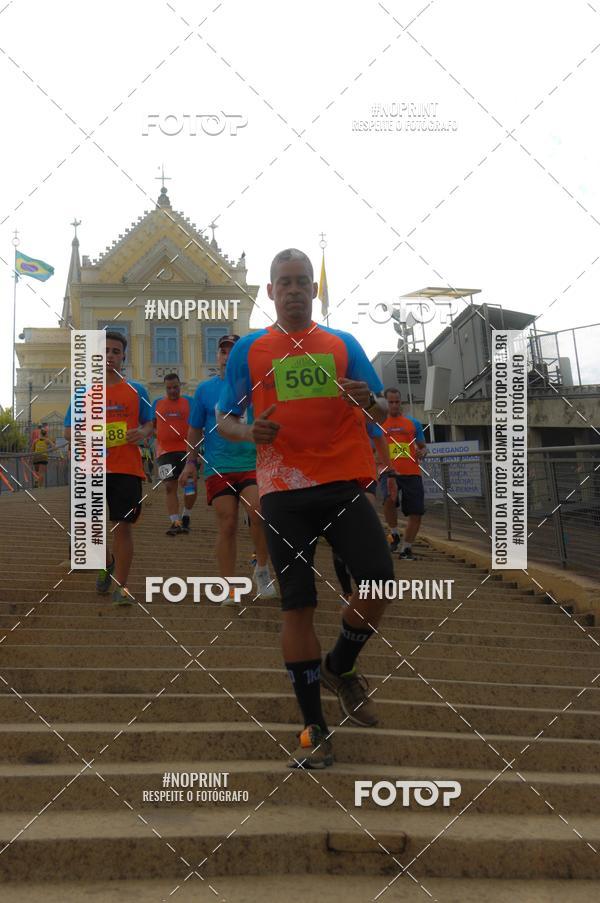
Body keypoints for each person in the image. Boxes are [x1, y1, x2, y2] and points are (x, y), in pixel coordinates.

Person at [216, 248, 395, 770]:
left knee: (380, 579)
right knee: (297, 605)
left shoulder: (342, 344)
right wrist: (250, 431)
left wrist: (370, 400)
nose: (293, 290)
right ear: (269, 292)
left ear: (312, 291)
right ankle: (314, 729)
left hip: (341, 481)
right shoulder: (249, 350)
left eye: (301, 282)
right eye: (283, 283)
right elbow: (226, 419)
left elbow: (383, 406)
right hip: (282, 489)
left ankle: (341, 665)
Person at [179, 334, 276, 604]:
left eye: (233, 351)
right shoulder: (205, 390)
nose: (227, 356)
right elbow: (195, 428)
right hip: (218, 466)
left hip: (252, 463)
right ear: (217, 357)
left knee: (258, 513)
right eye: (223, 351)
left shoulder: (258, 386)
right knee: (228, 523)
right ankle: (228, 585)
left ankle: (262, 570)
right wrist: (190, 462)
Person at [64, 330, 153, 606]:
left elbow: (150, 423)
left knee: (122, 527)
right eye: (105, 351)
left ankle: (121, 587)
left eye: (115, 351)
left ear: (123, 356)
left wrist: (142, 431)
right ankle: (107, 562)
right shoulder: (83, 392)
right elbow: (68, 431)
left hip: (126, 469)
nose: (110, 356)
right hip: (92, 469)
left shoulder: (137, 390)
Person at [332, 418, 394, 603]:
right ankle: (347, 591)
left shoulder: (362, 410)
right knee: (341, 536)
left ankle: (365, 586)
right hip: (336, 476)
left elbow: (378, 437)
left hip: (363, 474)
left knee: (362, 524)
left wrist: (390, 472)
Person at [380, 388, 427, 559]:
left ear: (401, 402)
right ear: (385, 403)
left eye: (397, 402)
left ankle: (406, 548)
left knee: (416, 512)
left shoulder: (413, 423)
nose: (394, 405)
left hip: (411, 472)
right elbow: (371, 448)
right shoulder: (378, 423)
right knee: (388, 500)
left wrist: (423, 451)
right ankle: (394, 534)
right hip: (389, 471)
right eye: (390, 402)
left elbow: (423, 446)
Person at [152, 374, 195, 534]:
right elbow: (152, 424)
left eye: (175, 387)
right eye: (169, 388)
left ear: (180, 385)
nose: (172, 390)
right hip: (164, 453)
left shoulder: (189, 402)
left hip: (187, 451)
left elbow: (197, 424)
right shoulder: (157, 403)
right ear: (165, 388)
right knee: (170, 487)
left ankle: (186, 516)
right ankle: (175, 521)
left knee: (190, 487)